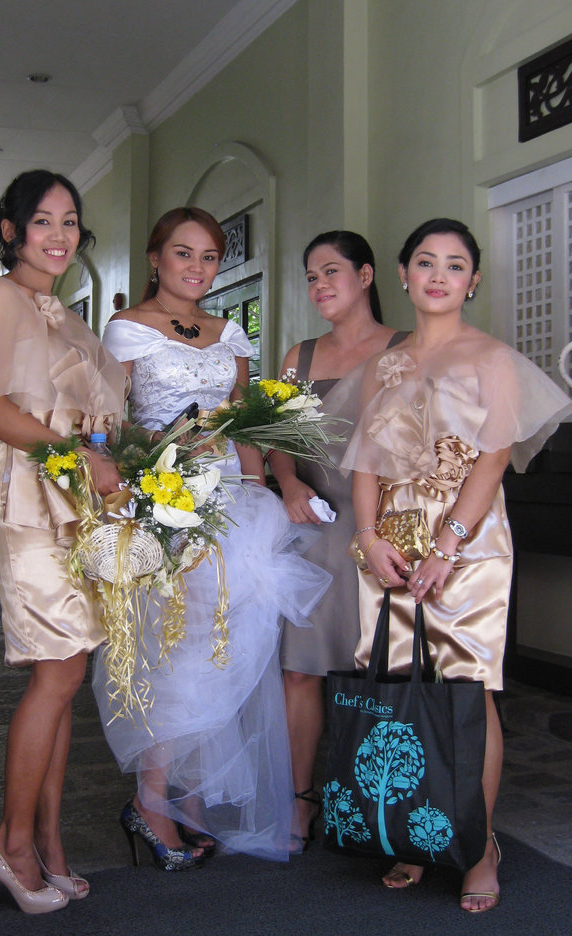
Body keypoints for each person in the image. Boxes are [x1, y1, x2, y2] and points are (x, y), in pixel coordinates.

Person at [342, 218, 572, 913]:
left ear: (473, 281)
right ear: (403, 274)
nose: (439, 275)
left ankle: (478, 847)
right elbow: (365, 460)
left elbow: (494, 460)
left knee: (469, 689)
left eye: (455, 265)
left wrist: (447, 548)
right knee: (400, 681)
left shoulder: (492, 359)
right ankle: (416, 834)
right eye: (425, 261)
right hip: (390, 538)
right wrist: (367, 538)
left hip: (466, 540)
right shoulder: (384, 364)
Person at [92, 207, 330, 868]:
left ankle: (191, 798)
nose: (197, 268)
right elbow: (112, 425)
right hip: (166, 499)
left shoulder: (230, 333)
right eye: (183, 253)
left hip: (232, 503)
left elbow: (244, 426)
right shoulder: (126, 330)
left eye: (208, 257)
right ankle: (151, 798)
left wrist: (257, 493)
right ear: (155, 258)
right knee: (174, 647)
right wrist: (159, 459)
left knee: (224, 647)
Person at [0, 170, 126, 913]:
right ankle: (10, 844)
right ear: (11, 230)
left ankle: (47, 841)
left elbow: (99, 421)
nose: (59, 234)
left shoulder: (71, 317)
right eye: (43, 220)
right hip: (27, 498)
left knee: (68, 673)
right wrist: (79, 455)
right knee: (54, 672)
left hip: (79, 503)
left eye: (70, 221)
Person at [269, 231, 406, 847]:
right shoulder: (298, 358)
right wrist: (289, 483)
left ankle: (375, 809)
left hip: (385, 531)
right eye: (310, 276)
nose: (319, 284)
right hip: (315, 524)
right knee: (300, 668)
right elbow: (277, 441)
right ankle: (301, 802)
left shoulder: (406, 350)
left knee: (380, 671)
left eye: (331, 271)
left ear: (366, 276)